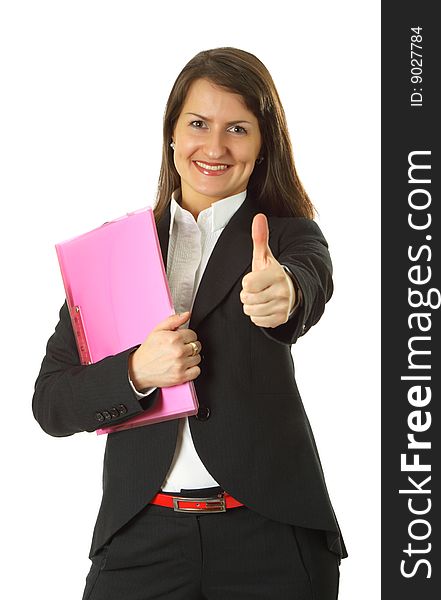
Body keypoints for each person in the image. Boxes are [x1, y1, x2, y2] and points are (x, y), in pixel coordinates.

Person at [33, 47, 347, 599]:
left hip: (270, 540)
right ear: (172, 133)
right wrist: (135, 373)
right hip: (140, 541)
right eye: (198, 124)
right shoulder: (112, 254)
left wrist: (285, 294)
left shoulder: (289, 238)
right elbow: (53, 403)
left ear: (262, 142)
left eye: (239, 129)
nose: (215, 147)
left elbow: (306, 285)